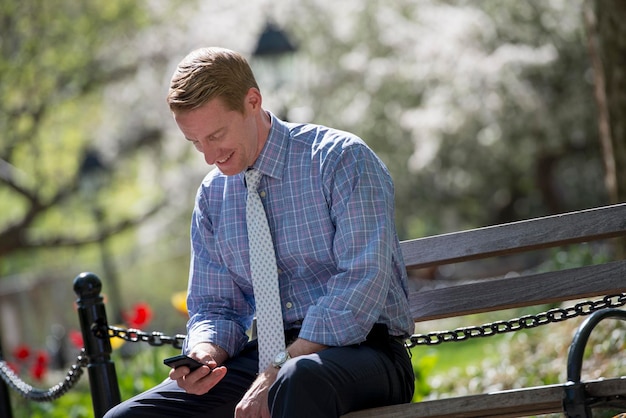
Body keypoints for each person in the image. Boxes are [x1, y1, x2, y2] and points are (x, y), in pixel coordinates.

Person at [104, 47, 414, 418]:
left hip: (367, 351)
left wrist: (276, 370)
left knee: (297, 381)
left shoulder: (341, 159)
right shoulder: (212, 195)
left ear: (253, 101)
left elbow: (360, 284)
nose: (209, 156)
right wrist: (205, 352)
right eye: (196, 142)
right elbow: (215, 306)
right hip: (268, 357)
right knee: (128, 417)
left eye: (216, 134)